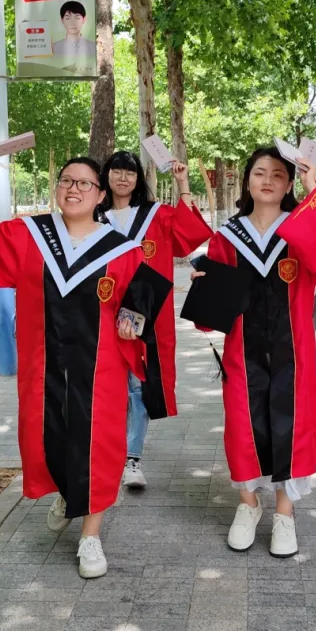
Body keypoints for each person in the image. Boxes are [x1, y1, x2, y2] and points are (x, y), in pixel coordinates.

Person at [0, 152, 169, 579]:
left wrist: (132, 324)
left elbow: (138, 304)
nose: (74, 189)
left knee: (100, 446)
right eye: (66, 181)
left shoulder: (123, 249)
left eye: (84, 183)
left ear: (99, 194)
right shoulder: (29, 234)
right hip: (44, 368)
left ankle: (90, 535)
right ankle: (68, 495)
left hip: (101, 370)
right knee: (48, 440)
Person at [191, 148, 316, 557]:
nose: (268, 181)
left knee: (292, 426)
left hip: (293, 352)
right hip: (242, 353)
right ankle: (248, 504)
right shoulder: (227, 237)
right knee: (243, 426)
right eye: (260, 173)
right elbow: (211, 312)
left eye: (278, 175)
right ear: (247, 180)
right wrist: (203, 288)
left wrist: (314, 191)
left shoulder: (299, 229)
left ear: (289, 184)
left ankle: (284, 512)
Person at [98, 151, 212, 489]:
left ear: (139, 179)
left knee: (138, 384)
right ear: (106, 175)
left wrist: (182, 183)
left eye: (130, 172)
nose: (123, 178)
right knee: (106, 384)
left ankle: (132, 459)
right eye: (117, 171)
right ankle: (108, 454)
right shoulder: (93, 215)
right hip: (102, 308)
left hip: (144, 309)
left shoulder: (155, 215)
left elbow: (188, 236)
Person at [52, 0, 96, 72]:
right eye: (68, 18)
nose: (73, 23)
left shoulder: (94, 47)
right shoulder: (54, 48)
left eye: (77, 18)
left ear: (84, 19)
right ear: (62, 20)